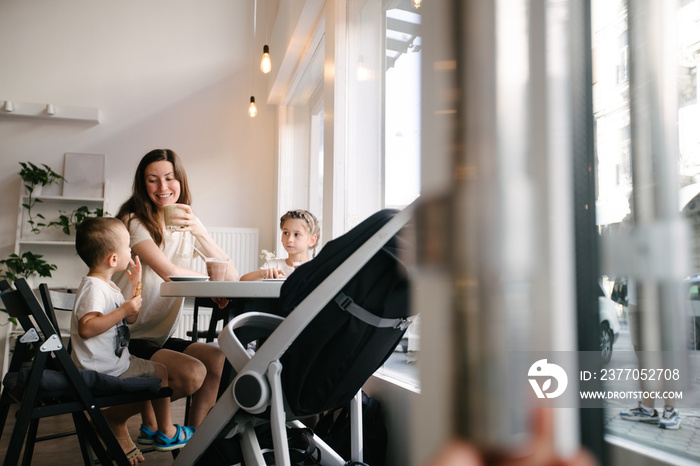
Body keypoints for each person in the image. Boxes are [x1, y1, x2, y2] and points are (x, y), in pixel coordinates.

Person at [113, 149, 238, 442]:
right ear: (143, 185)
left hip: (157, 334)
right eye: (153, 180)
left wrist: (200, 231)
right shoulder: (134, 221)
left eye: (169, 178)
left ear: (180, 180)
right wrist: (214, 283)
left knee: (218, 359)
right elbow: (167, 270)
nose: (162, 187)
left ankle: (195, 439)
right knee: (192, 373)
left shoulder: (183, 223)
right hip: (124, 334)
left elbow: (231, 277)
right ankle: (113, 416)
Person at [71, 217, 193, 464]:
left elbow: (132, 319)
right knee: (157, 377)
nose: (131, 250)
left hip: (114, 363)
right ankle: (166, 431)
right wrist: (122, 311)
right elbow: (86, 328)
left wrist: (135, 284)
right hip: (101, 370)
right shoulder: (94, 287)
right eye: (128, 246)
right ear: (113, 259)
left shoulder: (109, 288)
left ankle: (157, 429)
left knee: (160, 372)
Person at [618, 277, 681, 429]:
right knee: (642, 356)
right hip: (634, 300)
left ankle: (671, 410)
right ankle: (647, 409)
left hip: (657, 299)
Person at [240, 209, 320, 281]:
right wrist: (263, 273)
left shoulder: (315, 269)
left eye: (297, 234)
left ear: (312, 240)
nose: (289, 239)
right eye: (286, 233)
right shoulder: (273, 265)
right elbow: (243, 281)